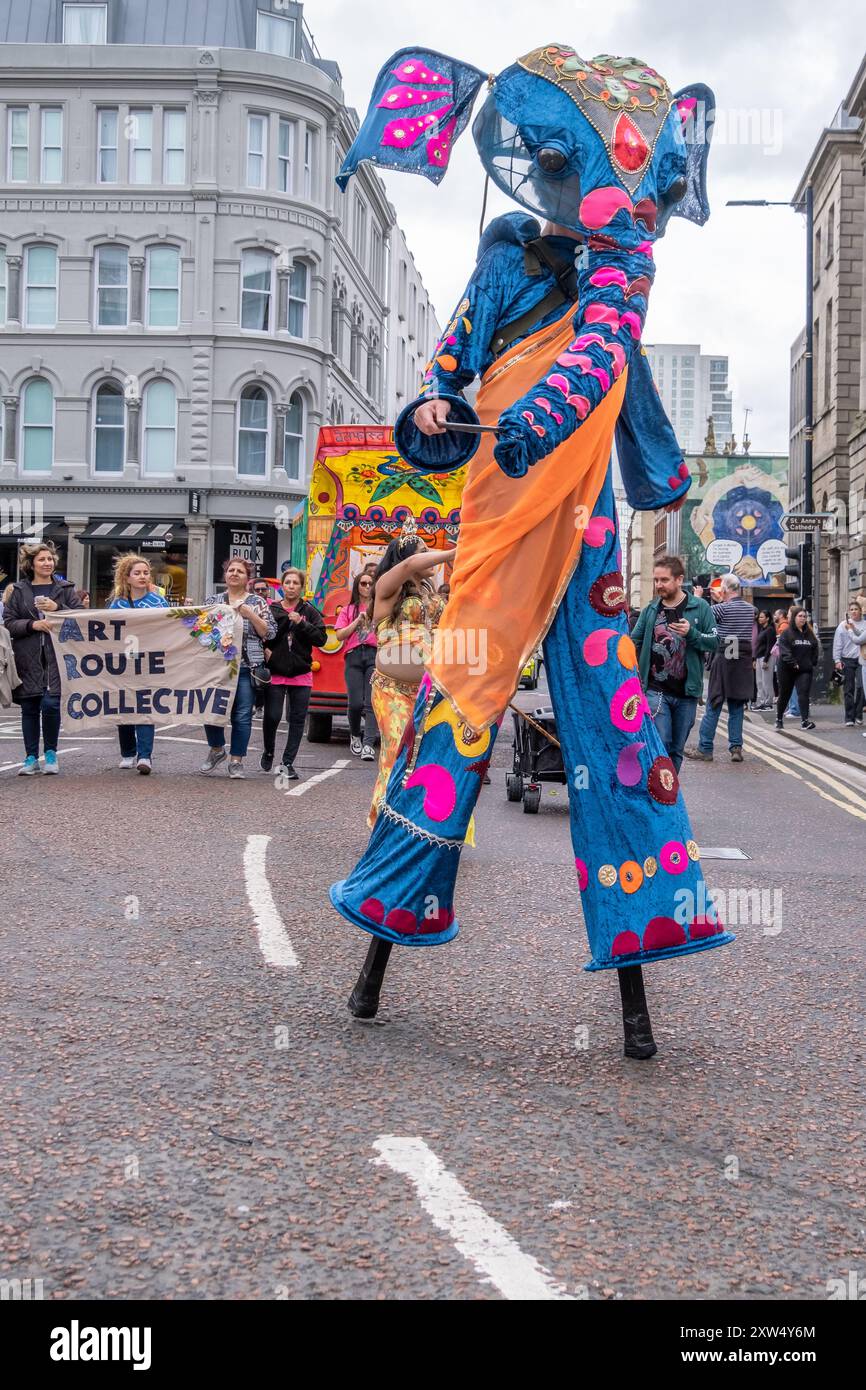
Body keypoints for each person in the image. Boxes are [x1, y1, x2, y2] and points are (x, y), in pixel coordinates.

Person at [366, 523, 453, 827]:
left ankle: (421, 824)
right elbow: (410, 564)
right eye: (425, 552)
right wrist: (454, 551)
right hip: (392, 690)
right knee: (397, 753)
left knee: (431, 757)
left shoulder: (431, 594)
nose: (431, 558)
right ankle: (385, 824)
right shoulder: (388, 588)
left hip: (431, 689)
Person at [3, 540, 83, 775]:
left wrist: (57, 607)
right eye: (42, 559)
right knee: (29, 706)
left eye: (50, 559)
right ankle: (30, 757)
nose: (47, 563)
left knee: (50, 705)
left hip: (57, 656)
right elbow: (8, 622)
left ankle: (50, 752)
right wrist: (32, 624)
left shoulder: (65, 589)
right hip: (27, 657)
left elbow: (81, 616)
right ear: (32, 564)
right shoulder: (18, 591)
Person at [631, 557, 718, 773]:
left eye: (664, 580)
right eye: (656, 580)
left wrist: (692, 634)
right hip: (655, 691)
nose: (659, 585)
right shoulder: (651, 610)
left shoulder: (700, 607)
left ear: (679, 580)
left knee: (676, 750)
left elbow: (715, 642)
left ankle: (669, 794)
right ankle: (658, 797)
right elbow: (634, 641)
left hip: (687, 693)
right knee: (661, 743)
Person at [201, 559, 275, 778]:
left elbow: (269, 633)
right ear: (225, 575)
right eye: (231, 570)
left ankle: (236, 761)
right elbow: (200, 630)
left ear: (247, 578)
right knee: (210, 710)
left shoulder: (258, 602)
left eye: (240, 571)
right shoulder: (213, 601)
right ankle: (216, 749)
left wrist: (250, 614)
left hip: (246, 667)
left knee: (242, 715)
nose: (234, 574)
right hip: (217, 667)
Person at [260, 567, 325, 780]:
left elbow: (322, 639)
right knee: (272, 716)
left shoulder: (309, 611)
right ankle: (269, 749)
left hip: (301, 672)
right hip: (276, 671)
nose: (291, 586)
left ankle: (287, 763)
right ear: (282, 586)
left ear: (301, 587)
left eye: (295, 583)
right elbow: (261, 633)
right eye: (287, 583)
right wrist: (265, 650)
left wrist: (301, 623)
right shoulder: (273, 610)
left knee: (297, 720)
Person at [108, 553, 169, 774]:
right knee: (124, 707)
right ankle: (127, 752)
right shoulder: (118, 603)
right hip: (124, 663)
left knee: (145, 707)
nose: (143, 576)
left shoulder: (159, 601)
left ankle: (145, 756)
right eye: (137, 573)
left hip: (149, 662)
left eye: (146, 572)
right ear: (127, 577)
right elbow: (109, 632)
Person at [692, 574, 756, 763]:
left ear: (725, 590)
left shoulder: (720, 609)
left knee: (714, 702)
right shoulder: (751, 609)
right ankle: (736, 748)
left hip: (724, 655)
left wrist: (698, 597)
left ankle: (705, 748)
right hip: (742, 658)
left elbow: (699, 616)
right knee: (736, 706)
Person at [334, 572, 379, 760]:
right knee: (355, 703)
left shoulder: (380, 609)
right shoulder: (348, 610)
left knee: (371, 703)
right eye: (363, 583)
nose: (367, 587)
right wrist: (357, 621)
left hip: (374, 655)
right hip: (353, 655)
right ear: (357, 586)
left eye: (370, 583)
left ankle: (368, 744)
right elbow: (339, 635)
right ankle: (355, 736)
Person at [776, 607, 820, 731]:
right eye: (800, 616)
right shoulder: (787, 633)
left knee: (803, 693)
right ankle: (779, 719)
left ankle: (805, 721)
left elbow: (815, 647)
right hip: (787, 669)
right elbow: (784, 650)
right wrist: (792, 663)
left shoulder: (809, 633)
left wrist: (812, 662)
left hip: (804, 669)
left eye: (804, 616)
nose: (802, 618)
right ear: (794, 617)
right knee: (785, 694)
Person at [833, 601, 865, 726]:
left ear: (860, 611)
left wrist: (852, 629)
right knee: (849, 689)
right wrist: (837, 660)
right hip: (847, 659)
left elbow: (860, 639)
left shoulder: (864, 625)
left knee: (861, 688)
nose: (853, 611)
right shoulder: (842, 625)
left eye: (856, 609)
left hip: (862, 660)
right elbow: (838, 643)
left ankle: (858, 714)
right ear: (848, 611)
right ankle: (849, 718)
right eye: (851, 609)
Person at [753, 609, 776, 710]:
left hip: (766, 658)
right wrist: (754, 659)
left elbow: (769, 646)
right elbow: (758, 645)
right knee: (759, 681)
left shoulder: (770, 630)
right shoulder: (762, 629)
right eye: (759, 617)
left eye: (762, 617)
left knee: (767, 681)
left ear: (767, 618)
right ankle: (762, 702)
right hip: (759, 657)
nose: (759, 619)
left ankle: (768, 703)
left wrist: (766, 660)